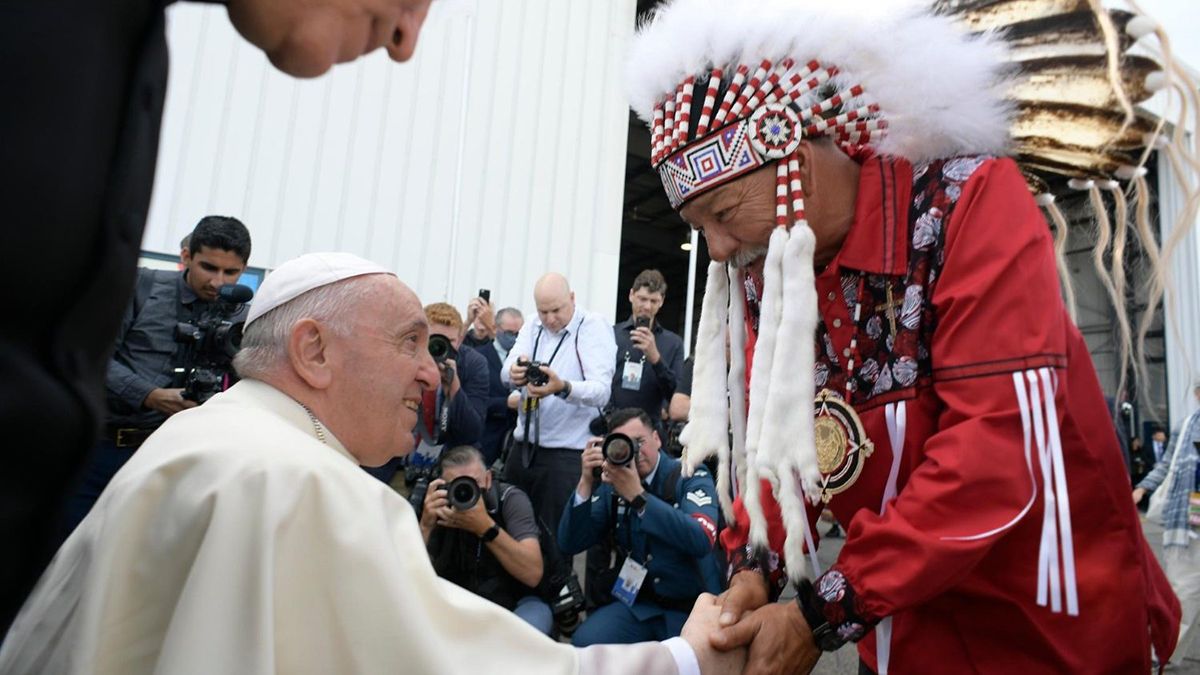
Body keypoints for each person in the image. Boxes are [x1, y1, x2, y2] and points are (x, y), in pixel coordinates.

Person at [625, 1, 1183, 672]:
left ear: (795, 157)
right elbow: (781, 444)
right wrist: (754, 567)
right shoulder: (776, 268)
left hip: (1044, 632)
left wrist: (820, 612)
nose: (715, 250)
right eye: (699, 226)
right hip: (903, 634)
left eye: (721, 212)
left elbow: (993, 460)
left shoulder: (969, 202)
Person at [0, 251, 744, 675]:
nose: (432, 373)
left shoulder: (203, 435)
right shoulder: (305, 483)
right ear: (313, 351)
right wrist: (683, 659)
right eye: (410, 343)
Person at [1, 0, 433, 630]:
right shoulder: (142, 293)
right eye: (411, 0)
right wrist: (152, 395)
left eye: (234, 275)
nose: (405, 39)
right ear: (311, 349)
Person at [62, 215, 251, 535]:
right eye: (208, 267)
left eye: (230, 272)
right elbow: (92, 356)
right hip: (106, 450)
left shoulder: (243, 317)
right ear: (187, 256)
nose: (218, 282)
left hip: (179, 460)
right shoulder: (139, 286)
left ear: (243, 269)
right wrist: (148, 395)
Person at [559, 408, 722, 647]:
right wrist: (585, 482)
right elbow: (570, 542)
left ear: (657, 438)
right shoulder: (612, 486)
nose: (634, 453)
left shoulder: (689, 473)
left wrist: (638, 496)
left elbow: (701, 538)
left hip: (692, 606)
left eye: (639, 442)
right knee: (587, 642)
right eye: (623, 445)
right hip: (641, 605)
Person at [502, 273, 616, 541]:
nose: (550, 319)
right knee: (510, 533)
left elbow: (601, 391)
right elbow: (505, 371)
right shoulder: (532, 324)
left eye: (557, 310)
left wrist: (562, 387)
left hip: (565, 456)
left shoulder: (593, 326)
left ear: (572, 299)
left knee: (553, 543)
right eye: (543, 311)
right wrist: (516, 374)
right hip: (523, 449)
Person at [421, 445, 553, 635]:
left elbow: (533, 573)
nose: (464, 492)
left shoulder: (509, 500)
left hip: (512, 602)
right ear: (441, 486)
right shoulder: (433, 505)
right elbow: (405, 577)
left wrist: (486, 528)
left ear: (489, 479)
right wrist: (425, 525)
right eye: (456, 486)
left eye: (473, 483)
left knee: (530, 628)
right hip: (452, 603)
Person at [365, 302, 489, 486]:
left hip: (449, 470)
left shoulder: (473, 363)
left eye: (450, 342)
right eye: (435, 340)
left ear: (460, 340)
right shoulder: (402, 356)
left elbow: (471, 434)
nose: (441, 348)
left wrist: (454, 387)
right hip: (396, 463)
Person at [1133, 382, 1200, 668]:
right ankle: (1164, 651)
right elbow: (1167, 464)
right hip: (1188, 517)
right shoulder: (1186, 427)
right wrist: (1143, 488)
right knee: (1183, 588)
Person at [610, 270, 685, 423]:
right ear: (631, 295)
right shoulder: (612, 335)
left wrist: (656, 359)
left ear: (662, 301)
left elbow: (676, 395)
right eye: (642, 299)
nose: (647, 306)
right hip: (612, 425)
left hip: (651, 429)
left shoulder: (673, 343)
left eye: (653, 301)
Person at [466, 300, 526, 465]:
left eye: (518, 333)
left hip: (517, 445)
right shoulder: (477, 357)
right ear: (496, 329)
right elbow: (471, 403)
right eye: (509, 332)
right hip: (486, 441)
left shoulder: (527, 359)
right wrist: (505, 403)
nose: (513, 338)